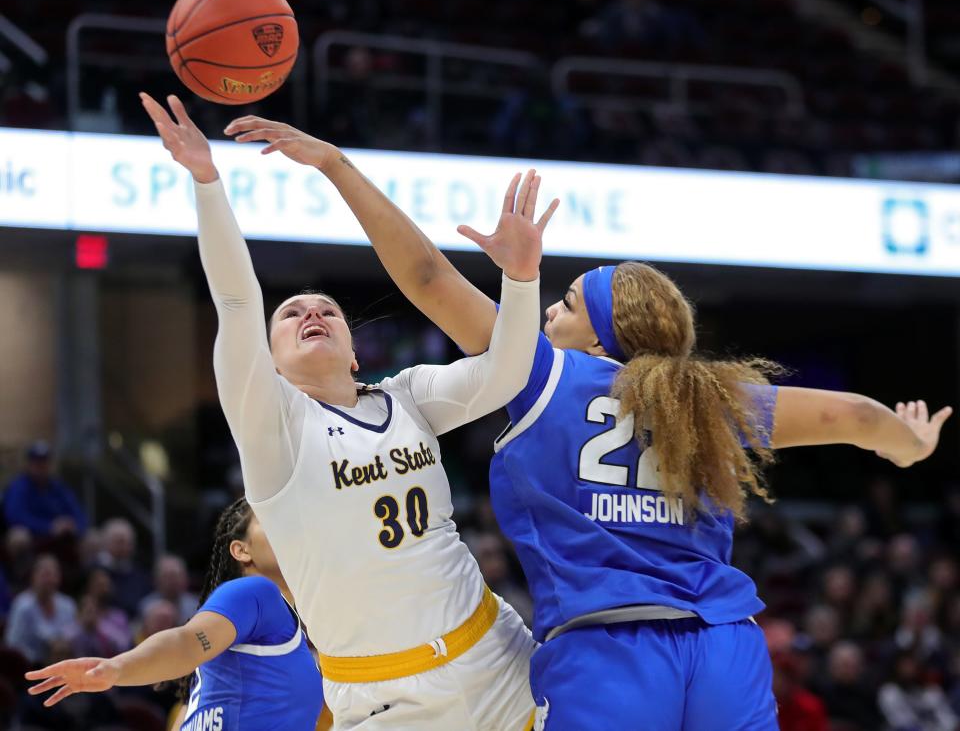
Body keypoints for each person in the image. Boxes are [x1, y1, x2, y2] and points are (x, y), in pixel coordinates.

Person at [222, 116, 953, 730]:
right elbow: (854, 416)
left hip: (609, 651)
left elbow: (427, 279)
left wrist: (338, 166)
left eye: (566, 304)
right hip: (725, 645)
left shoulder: (544, 374)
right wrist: (909, 442)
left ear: (604, 335)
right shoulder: (711, 396)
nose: (546, 314)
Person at [140, 92, 552, 731]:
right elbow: (237, 302)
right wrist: (207, 181)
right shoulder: (272, 427)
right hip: (386, 696)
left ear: (355, 354)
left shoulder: (407, 397)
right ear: (269, 363)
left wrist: (521, 280)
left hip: (498, 657)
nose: (311, 313)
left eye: (327, 310)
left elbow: (506, 372)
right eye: (292, 314)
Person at [25, 498, 326, 731]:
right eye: (269, 519)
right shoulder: (256, 593)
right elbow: (187, 644)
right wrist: (117, 668)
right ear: (241, 550)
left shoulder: (281, 631)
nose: (286, 527)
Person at [3, 441, 86, 538]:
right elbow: (14, 516)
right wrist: (49, 526)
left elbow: (78, 513)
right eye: (37, 462)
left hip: (62, 535)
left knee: (94, 536)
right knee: (19, 536)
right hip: (33, 535)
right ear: (29, 464)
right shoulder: (18, 486)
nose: (41, 466)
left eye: (44, 462)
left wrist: (73, 526)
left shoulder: (58, 486)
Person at [5, 554, 77, 665]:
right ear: (34, 577)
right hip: (30, 667)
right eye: (45, 575)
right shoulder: (23, 606)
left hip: (63, 665)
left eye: (54, 575)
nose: (50, 580)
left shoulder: (67, 605)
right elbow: (13, 643)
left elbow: (73, 637)